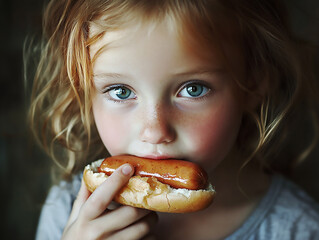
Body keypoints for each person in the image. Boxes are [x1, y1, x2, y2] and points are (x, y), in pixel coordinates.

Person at [27, 0, 319, 239]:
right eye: (120, 91)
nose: (154, 131)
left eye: (193, 89)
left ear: (253, 85)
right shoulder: (67, 212)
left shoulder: (298, 229)